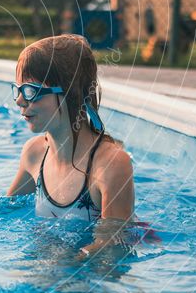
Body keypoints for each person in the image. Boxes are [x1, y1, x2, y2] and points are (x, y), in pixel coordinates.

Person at [7, 34, 137, 257]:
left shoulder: (110, 164)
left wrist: (66, 265)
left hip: (88, 277)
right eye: (18, 89)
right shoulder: (34, 153)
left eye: (31, 90)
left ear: (71, 93)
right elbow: (4, 207)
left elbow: (113, 246)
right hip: (50, 261)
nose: (19, 100)